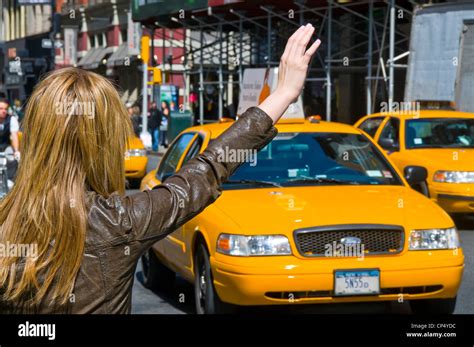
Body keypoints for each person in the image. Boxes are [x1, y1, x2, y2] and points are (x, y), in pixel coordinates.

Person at [0, 24, 320, 313]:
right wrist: (283, 94)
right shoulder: (118, 221)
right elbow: (206, 170)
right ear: (104, 143)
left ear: (37, 136)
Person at [0, 98, 20, 180]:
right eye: (1, 109)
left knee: (13, 165)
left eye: (5, 109)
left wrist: (16, 151)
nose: (4, 111)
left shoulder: (11, 119)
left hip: (6, 149)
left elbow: (14, 136)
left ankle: (11, 184)